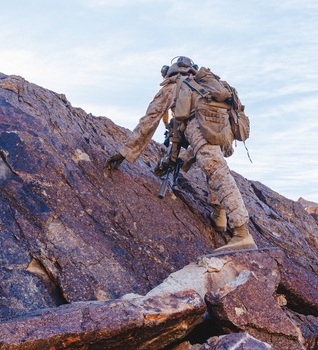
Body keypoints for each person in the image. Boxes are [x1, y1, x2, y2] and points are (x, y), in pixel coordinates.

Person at [105, 56, 256, 252]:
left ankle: (242, 234)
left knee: (215, 170)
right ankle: (219, 213)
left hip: (201, 129)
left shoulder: (173, 86)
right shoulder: (207, 84)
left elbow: (148, 121)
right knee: (208, 162)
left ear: (170, 72)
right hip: (224, 131)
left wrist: (124, 152)